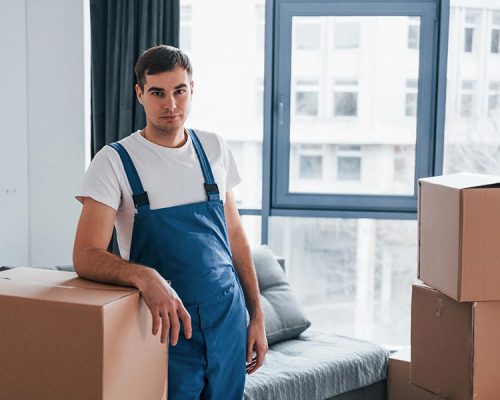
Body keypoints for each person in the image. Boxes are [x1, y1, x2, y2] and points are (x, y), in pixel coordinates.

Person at [73, 44, 268, 399]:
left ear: (192, 89)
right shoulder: (114, 162)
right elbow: (86, 254)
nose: (171, 105)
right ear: (139, 94)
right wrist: (145, 275)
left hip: (227, 319)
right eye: (157, 93)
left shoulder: (215, 148)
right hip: (165, 329)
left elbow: (236, 236)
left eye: (179, 91)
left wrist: (256, 314)